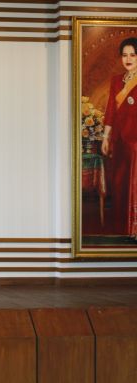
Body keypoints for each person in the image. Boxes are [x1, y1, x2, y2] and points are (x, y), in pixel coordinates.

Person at [101, 37, 137, 239]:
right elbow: (110, 111)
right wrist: (106, 137)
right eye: (124, 55)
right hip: (119, 140)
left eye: (133, 55)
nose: (128, 59)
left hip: (136, 142)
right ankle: (124, 228)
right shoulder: (116, 80)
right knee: (120, 183)